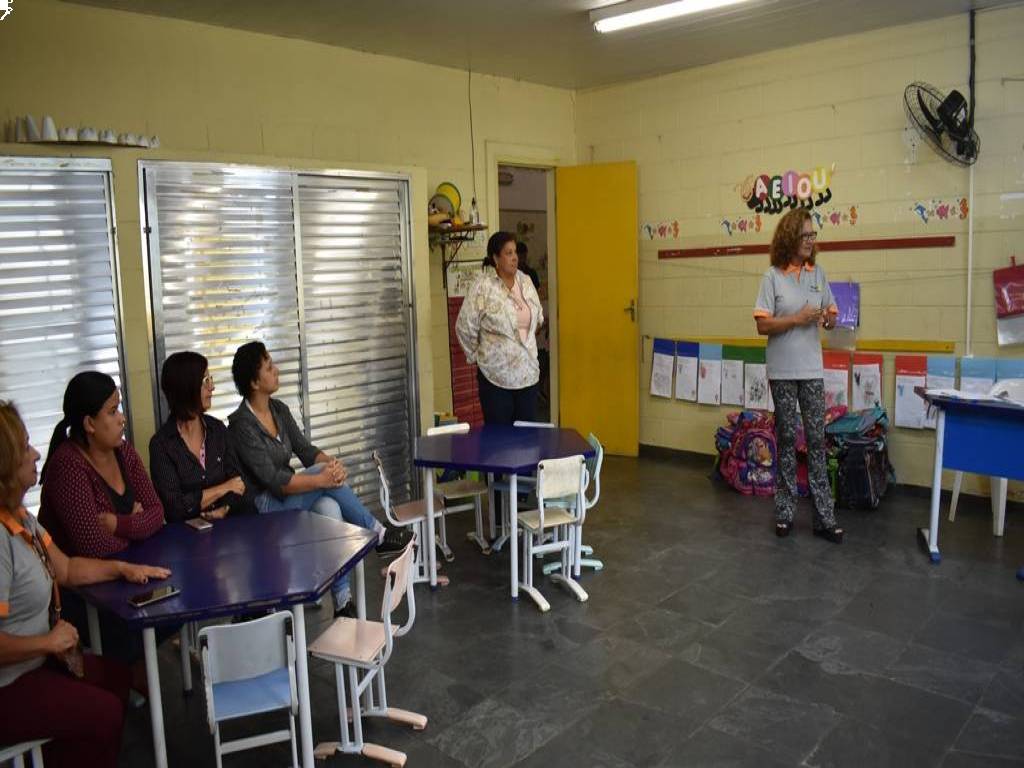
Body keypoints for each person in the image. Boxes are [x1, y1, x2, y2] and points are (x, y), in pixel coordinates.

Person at [0, 401, 170, 768]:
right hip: (10, 683)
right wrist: (48, 642)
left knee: (118, 678)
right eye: (25, 447)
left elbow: (66, 568)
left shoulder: (21, 518)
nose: (35, 454)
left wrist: (122, 569)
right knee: (104, 713)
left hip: (38, 662)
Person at [226, 341, 408, 617]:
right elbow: (275, 481)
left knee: (330, 508)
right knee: (320, 479)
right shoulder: (241, 425)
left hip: (289, 498)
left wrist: (332, 465)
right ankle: (378, 534)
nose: (277, 370)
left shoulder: (279, 410)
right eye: (269, 367)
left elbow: (306, 451)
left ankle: (343, 603)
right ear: (253, 382)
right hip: (264, 506)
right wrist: (323, 479)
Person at [753, 208, 843, 543]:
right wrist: (797, 318)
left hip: (811, 371)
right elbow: (762, 324)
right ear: (790, 237)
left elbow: (832, 314)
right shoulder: (772, 277)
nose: (810, 240)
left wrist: (828, 319)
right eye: (805, 235)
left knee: (817, 441)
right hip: (782, 371)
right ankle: (785, 512)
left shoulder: (818, 274)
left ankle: (824, 518)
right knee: (787, 440)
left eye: (812, 235)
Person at [150, 351, 256, 523]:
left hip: (231, 525)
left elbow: (238, 482)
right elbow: (174, 508)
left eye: (210, 379)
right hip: (187, 535)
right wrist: (222, 488)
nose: (212, 387)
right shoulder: (161, 445)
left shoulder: (218, 429)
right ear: (187, 387)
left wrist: (224, 508)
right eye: (205, 381)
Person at [456, 231, 544, 425]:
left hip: (528, 375)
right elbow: (465, 326)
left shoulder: (526, 281)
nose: (515, 258)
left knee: (527, 437)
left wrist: (528, 339)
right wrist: (478, 356)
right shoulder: (483, 287)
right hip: (496, 378)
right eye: (508, 253)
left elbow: (538, 316)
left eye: (515, 252)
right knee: (500, 438)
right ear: (496, 258)